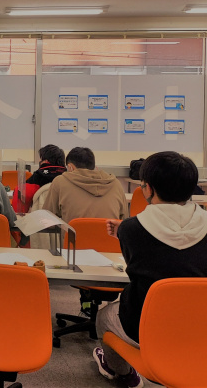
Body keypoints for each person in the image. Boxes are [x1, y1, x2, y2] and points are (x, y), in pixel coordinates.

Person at [93, 152, 207, 388]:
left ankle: (122, 373)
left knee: (104, 317)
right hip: (200, 328)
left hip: (146, 329)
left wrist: (123, 230)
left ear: (149, 189)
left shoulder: (131, 230)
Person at [43, 147, 127, 224]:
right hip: (109, 236)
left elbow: (46, 219)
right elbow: (125, 219)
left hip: (75, 236)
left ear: (70, 167)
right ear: (94, 167)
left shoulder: (60, 182)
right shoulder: (116, 184)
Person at [11, 144, 66, 213]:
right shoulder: (68, 178)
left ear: (45, 161)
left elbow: (19, 207)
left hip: (39, 216)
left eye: (40, 158)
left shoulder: (36, 178)